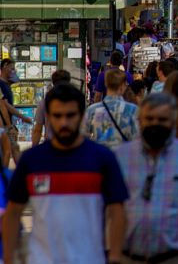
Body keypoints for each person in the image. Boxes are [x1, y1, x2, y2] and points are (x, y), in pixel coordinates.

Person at [2, 84, 128, 264]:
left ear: (82, 116)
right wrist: (9, 258)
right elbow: (13, 213)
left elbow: (117, 211)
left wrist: (115, 255)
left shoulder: (103, 159)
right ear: (49, 117)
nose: (64, 123)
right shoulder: (31, 161)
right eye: (57, 116)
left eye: (70, 116)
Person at [114, 93, 178, 264]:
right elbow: (111, 208)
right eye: (149, 119)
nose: (155, 124)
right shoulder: (121, 156)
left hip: (174, 258)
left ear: (173, 122)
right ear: (140, 121)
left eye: (162, 119)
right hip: (127, 257)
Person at [81, 68, 139, 149]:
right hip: (123, 158)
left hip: (100, 158)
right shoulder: (132, 110)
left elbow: (82, 138)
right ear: (122, 85)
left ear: (106, 84)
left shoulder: (92, 110)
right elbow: (137, 139)